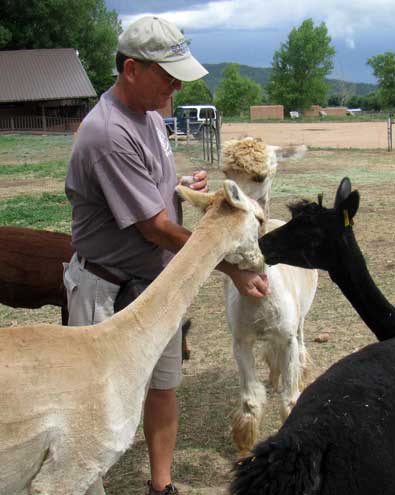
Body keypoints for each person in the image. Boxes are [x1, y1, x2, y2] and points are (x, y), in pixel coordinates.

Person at [63, 15, 269, 495]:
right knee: (95, 403)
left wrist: (180, 185)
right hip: (107, 291)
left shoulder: (151, 116)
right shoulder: (108, 133)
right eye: (167, 74)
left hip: (155, 286)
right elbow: (155, 228)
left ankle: (162, 487)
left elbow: (153, 193)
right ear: (132, 69)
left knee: (162, 386)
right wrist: (232, 268)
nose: (176, 84)